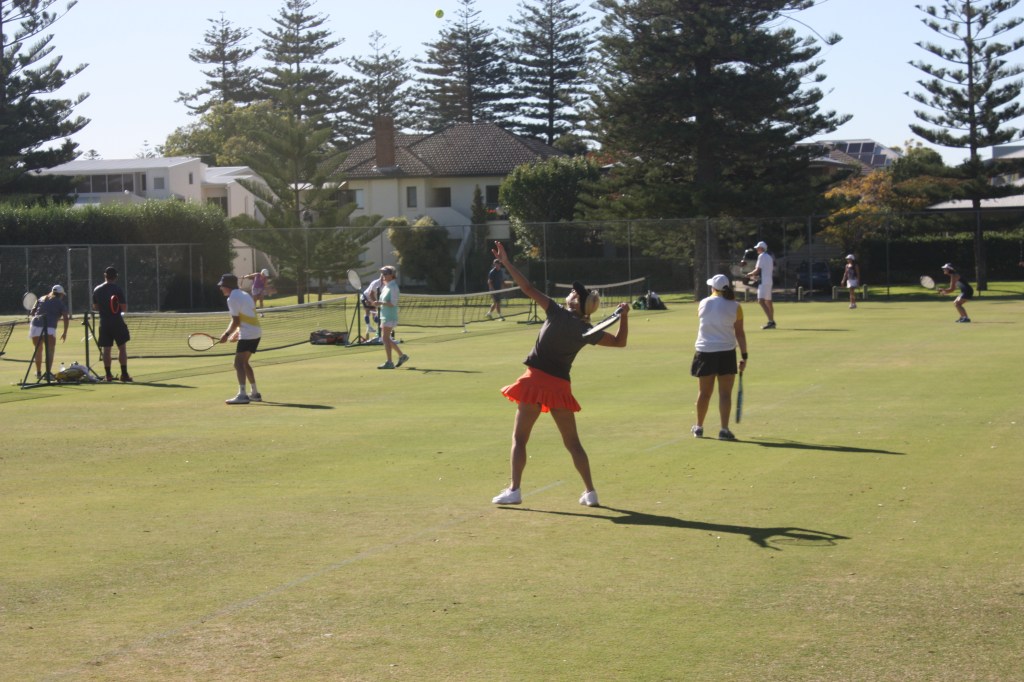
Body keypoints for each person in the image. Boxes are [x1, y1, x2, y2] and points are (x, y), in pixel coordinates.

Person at [490, 241, 630, 508]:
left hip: (535, 381)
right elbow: (620, 342)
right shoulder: (585, 330)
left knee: (519, 439)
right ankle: (590, 492)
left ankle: (514, 490)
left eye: (576, 294)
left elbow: (527, 288)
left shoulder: (555, 312)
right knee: (573, 443)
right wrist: (624, 317)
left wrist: (506, 263)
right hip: (560, 387)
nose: (572, 293)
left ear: (577, 303)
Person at [691, 274, 748, 441]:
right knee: (725, 394)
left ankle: (699, 427)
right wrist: (744, 356)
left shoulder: (703, 303)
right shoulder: (735, 306)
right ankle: (724, 429)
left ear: (713, 288)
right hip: (726, 352)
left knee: (704, 393)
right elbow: (740, 333)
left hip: (705, 352)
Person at [217, 273, 263, 404]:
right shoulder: (245, 294)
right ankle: (255, 393)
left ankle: (242, 395)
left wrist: (226, 335)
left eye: (222, 286)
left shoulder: (232, 299)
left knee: (238, 363)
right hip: (256, 332)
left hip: (248, 333)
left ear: (227, 286)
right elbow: (245, 316)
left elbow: (236, 321)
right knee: (244, 363)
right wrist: (237, 332)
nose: (221, 288)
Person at [92, 266, 132, 382]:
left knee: (106, 350)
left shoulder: (97, 289)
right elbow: (124, 308)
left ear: (105, 275)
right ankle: (124, 375)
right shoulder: (117, 289)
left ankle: (108, 375)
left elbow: (95, 307)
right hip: (117, 322)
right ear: (116, 277)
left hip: (104, 323)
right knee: (122, 348)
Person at [29, 284, 69, 381]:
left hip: (35, 326)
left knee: (38, 350)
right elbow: (65, 317)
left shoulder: (41, 298)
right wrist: (64, 332)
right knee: (50, 350)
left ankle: (38, 373)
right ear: (61, 294)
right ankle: (47, 373)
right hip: (49, 327)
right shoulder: (59, 302)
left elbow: (32, 312)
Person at [375, 265, 408, 369]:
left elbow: (393, 303)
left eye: (385, 274)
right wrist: (378, 303)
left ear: (392, 275)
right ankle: (402, 356)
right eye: (382, 273)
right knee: (386, 338)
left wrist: (380, 303)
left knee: (385, 338)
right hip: (385, 315)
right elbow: (384, 302)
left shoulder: (393, 287)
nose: (383, 275)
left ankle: (389, 362)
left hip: (390, 316)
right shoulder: (387, 286)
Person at [744, 240, 775, 328]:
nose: (757, 249)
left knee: (761, 301)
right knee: (768, 301)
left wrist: (749, 274)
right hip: (769, 281)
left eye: (758, 248)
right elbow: (765, 270)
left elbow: (757, 270)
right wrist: (756, 276)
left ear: (761, 248)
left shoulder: (761, 256)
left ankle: (771, 321)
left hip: (764, 282)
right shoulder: (769, 257)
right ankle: (772, 321)